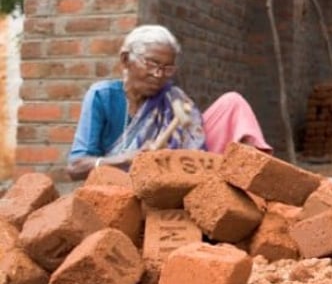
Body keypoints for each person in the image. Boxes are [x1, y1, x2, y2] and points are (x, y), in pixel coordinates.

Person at [67, 24, 273, 180]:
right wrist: (127, 159)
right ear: (125, 60)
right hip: (123, 188)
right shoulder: (102, 96)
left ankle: (253, 180)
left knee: (232, 103)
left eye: (167, 68)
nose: (159, 74)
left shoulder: (171, 98)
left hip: (175, 179)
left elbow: (194, 142)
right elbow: (75, 168)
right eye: (151, 63)